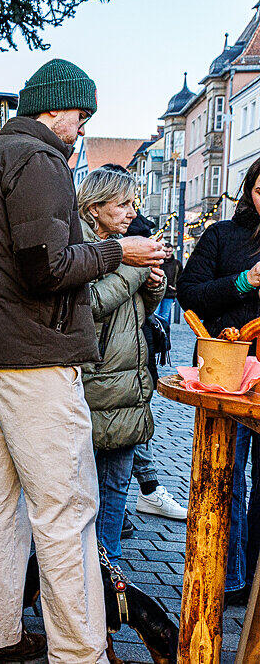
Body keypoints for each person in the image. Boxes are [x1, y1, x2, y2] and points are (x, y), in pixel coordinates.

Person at [0, 58, 166, 663]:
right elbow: (47, 267)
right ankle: (80, 653)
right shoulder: (38, 160)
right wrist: (119, 251)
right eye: (81, 113)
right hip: (33, 355)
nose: (83, 127)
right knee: (65, 508)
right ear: (54, 106)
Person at [177, 155, 260, 605]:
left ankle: (255, 581)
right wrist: (245, 282)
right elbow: (189, 294)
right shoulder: (222, 235)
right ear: (250, 189)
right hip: (227, 368)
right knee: (227, 474)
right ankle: (228, 577)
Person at [76, 167, 166, 565]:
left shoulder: (120, 245)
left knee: (116, 490)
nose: (132, 212)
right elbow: (89, 306)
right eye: (123, 203)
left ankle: (107, 580)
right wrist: (135, 268)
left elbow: (135, 317)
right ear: (94, 208)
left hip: (127, 387)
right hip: (94, 386)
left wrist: (153, 288)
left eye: (134, 203)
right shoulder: (78, 244)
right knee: (83, 494)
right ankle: (69, 584)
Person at [158, 241, 181, 330]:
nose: (167, 254)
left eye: (169, 252)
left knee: (165, 316)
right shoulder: (158, 261)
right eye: (166, 251)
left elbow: (180, 277)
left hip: (169, 293)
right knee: (156, 315)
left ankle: (164, 335)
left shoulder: (177, 264)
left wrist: (176, 288)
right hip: (157, 291)